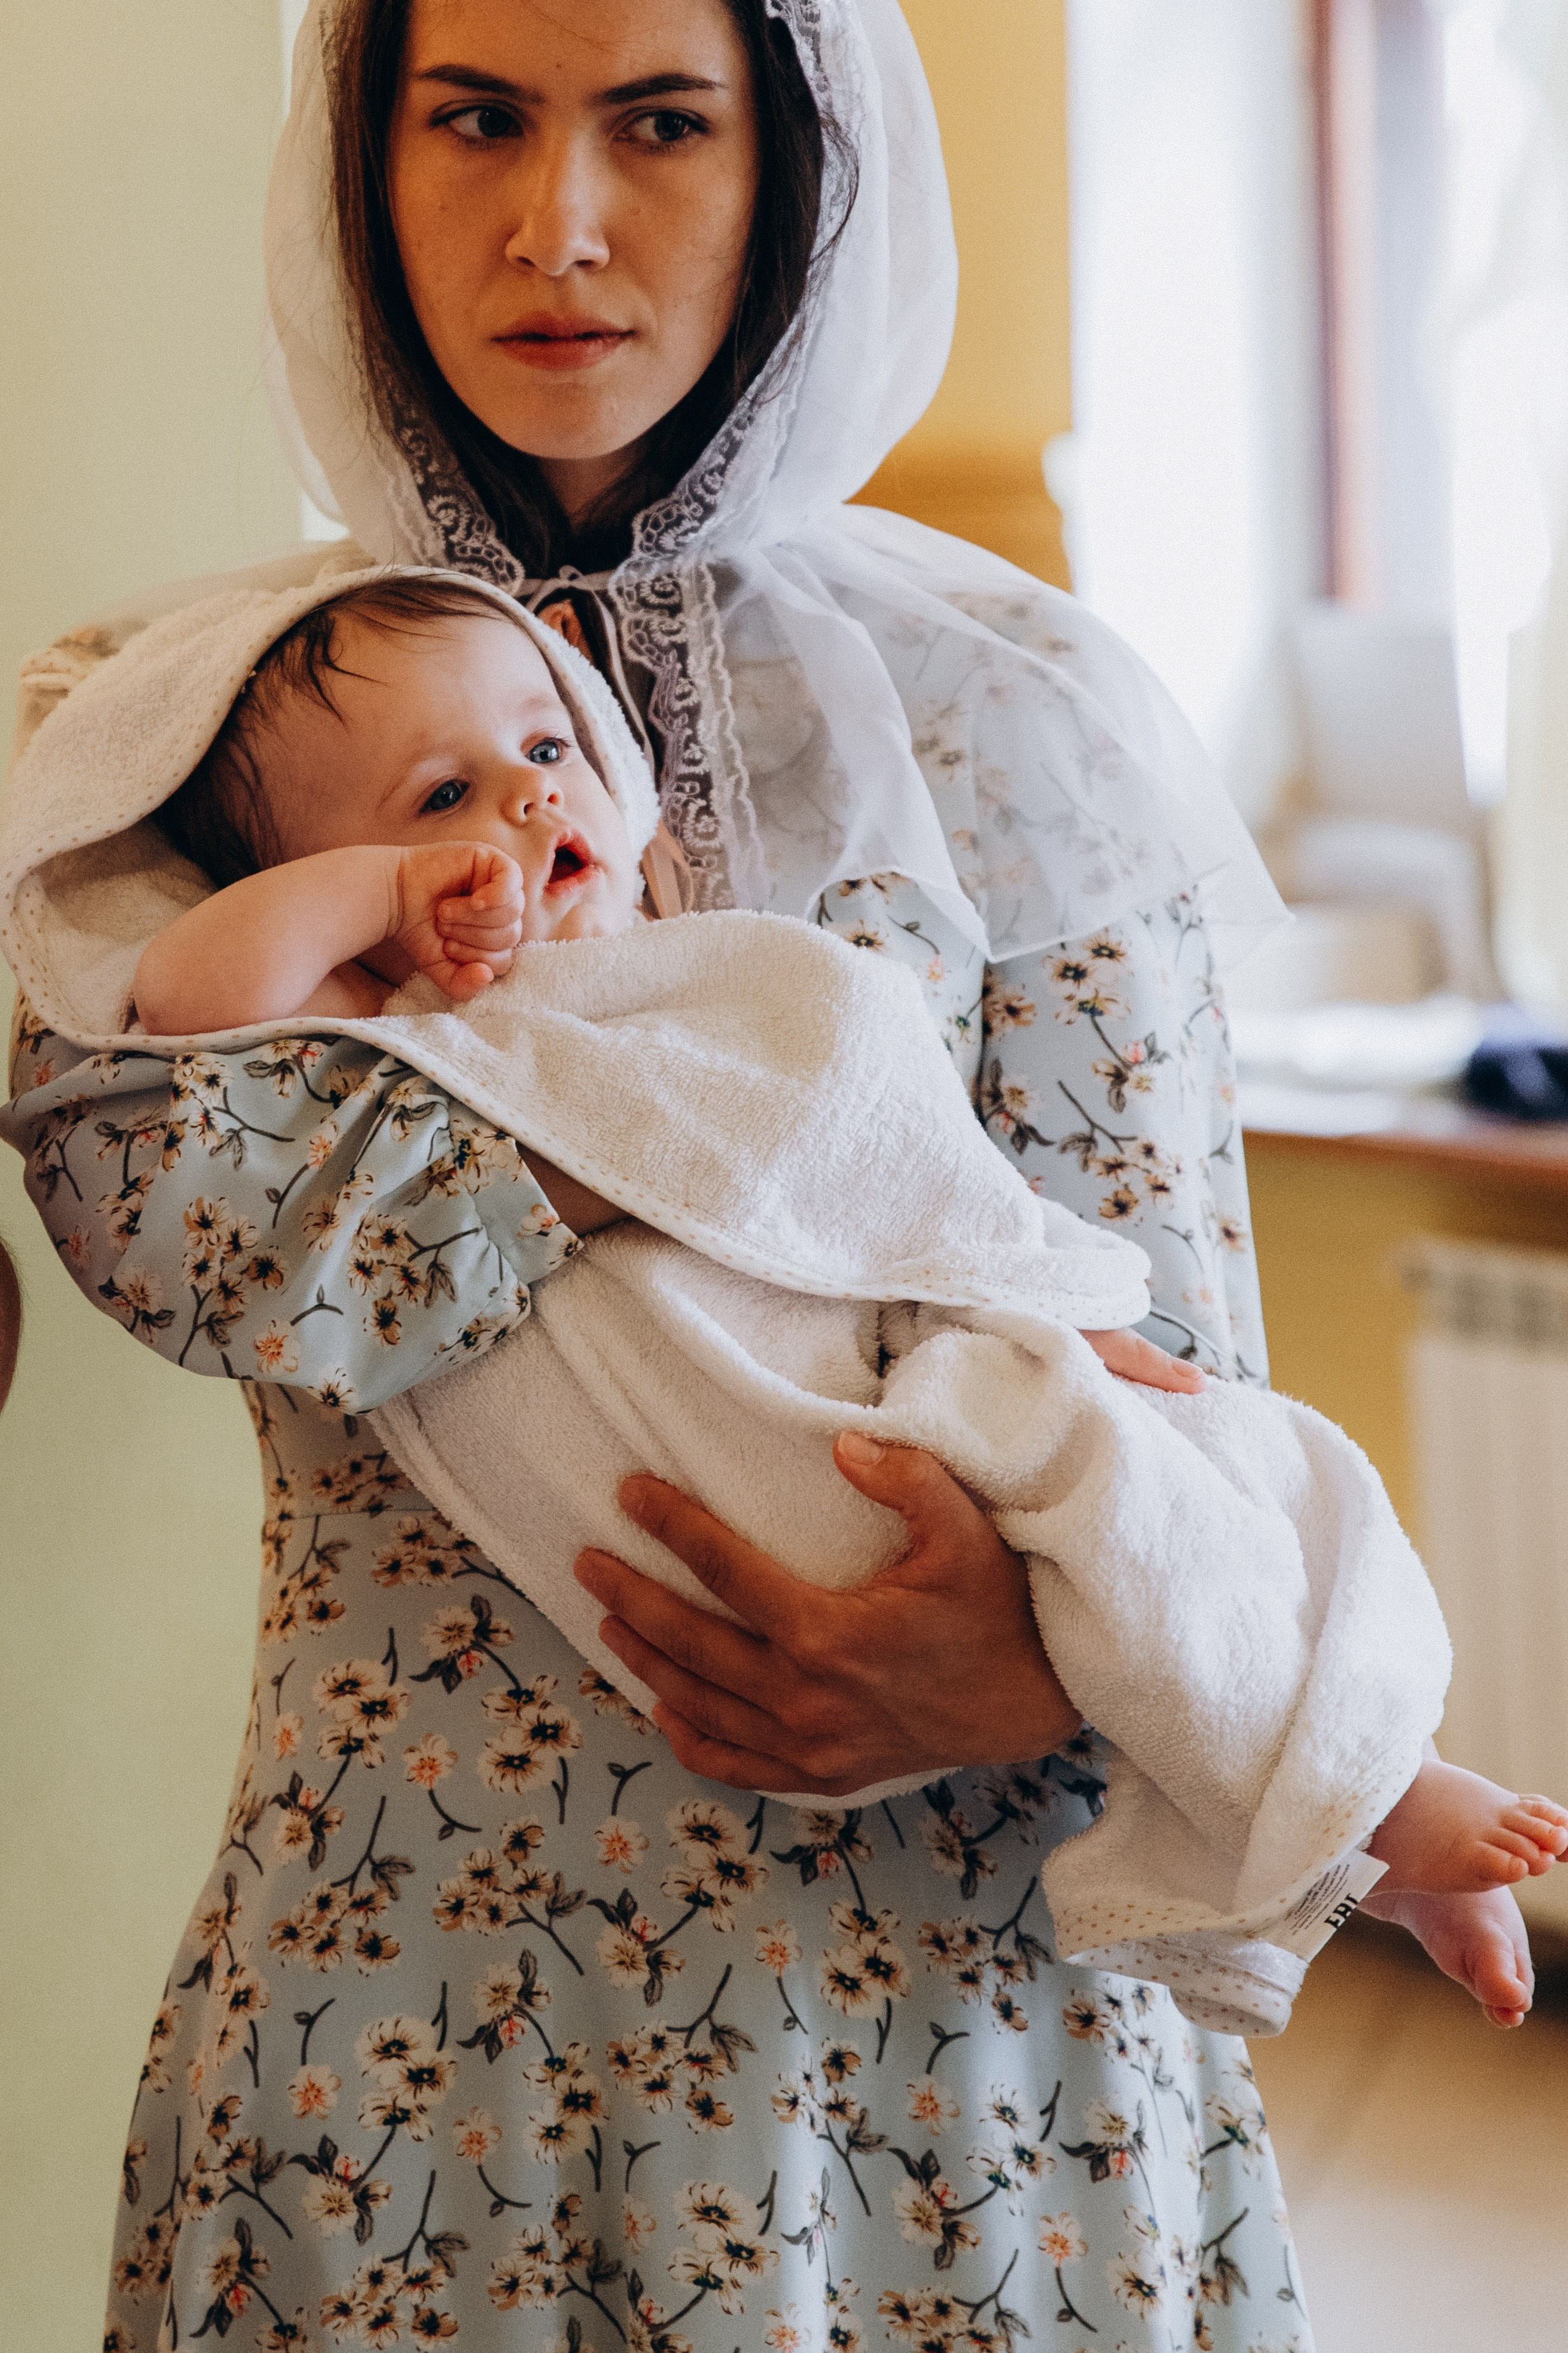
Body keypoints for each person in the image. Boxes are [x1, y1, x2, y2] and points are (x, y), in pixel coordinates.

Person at [0, 1, 1516, 2343]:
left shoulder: (1011, 712)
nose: (561, 226)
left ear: (797, 168)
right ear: (357, 165)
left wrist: (1013, 1672)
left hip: (965, 2036)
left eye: (663, 123)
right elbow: (206, 1237)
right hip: (415, 2012)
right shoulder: (178, 721)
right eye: (476, 117)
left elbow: (1157, 1350)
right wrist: (757, 1124)